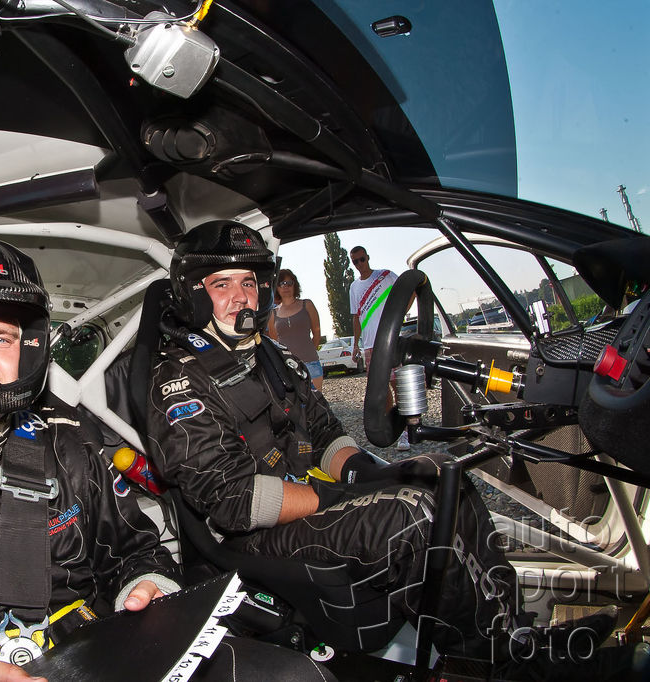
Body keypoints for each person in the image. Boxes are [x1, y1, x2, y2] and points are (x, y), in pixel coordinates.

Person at [0, 237, 333, 682]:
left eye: (2, 338)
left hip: (90, 662)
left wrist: (148, 590)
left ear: (28, 350)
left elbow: (137, 551)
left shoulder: (71, 442)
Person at [145, 220, 633, 680]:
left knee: (441, 473)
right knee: (409, 515)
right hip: (250, 536)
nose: (241, 297)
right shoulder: (179, 380)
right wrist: (338, 498)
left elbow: (324, 433)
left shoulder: (274, 355)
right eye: (222, 284)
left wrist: (364, 472)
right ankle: (503, 666)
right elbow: (234, 500)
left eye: (249, 282)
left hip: (304, 502)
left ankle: (515, 634)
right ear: (195, 294)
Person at [348, 245, 410, 451]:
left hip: (390, 340)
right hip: (369, 345)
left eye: (361, 259)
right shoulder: (354, 287)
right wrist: (355, 344)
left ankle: (406, 430)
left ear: (367, 257)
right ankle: (391, 424)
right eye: (355, 261)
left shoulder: (385, 276)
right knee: (381, 389)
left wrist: (400, 314)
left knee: (398, 385)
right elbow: (356, 317)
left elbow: (409, 291)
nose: (359, 264)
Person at [267, 268, 324, 391]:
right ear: (276, 288)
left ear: (295, 285)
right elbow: (275, 340)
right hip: (288, 369)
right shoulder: (273, 314)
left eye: (289, 283)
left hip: (311, 364)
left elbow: (317, 332)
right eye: (281, 284)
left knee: (317, 401)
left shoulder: (307, 305)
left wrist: (310, 353)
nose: (285, 287)